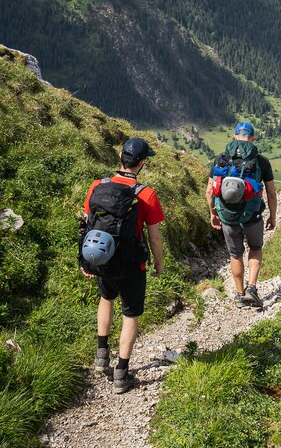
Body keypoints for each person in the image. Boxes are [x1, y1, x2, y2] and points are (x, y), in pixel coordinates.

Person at [82, 136, 165, 394]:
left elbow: (88, 223)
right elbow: (154, 235)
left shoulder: (98, 186)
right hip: (132, 264)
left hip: (103, 259)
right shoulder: (146, 194)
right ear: (141, 164)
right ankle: (122, 373)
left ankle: (101, 354)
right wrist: (159, 263)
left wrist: (86, 259)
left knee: (106, 299)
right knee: (130, 314)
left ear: (121, 158)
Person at [206, 121, 277, 308]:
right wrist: (273, 215)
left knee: (235, 255)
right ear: (252, 138)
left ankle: (239, 296)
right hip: (252, 216)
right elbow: (271, 193)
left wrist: (213, 213)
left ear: (234, 137)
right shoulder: (261, 161)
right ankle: (252, 289)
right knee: (255, 249)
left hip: (227, 216)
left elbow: (209, 192)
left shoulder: (220, 159)